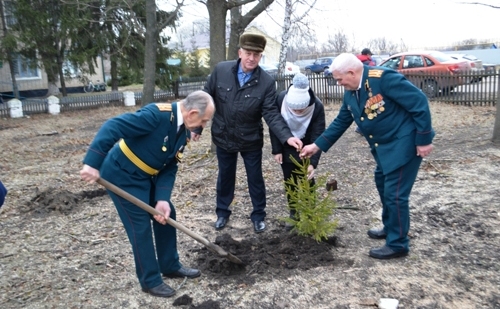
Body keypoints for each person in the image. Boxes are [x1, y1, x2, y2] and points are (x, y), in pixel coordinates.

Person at [80, 90, 215, 298]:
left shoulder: (182, 131)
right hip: (121, 175)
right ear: (192, 113)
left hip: (145, 176)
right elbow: (112, 126)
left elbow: (170, 166)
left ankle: (169, 265)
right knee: (140, 225)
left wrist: (162, 198)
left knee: (167, 215)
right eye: (204, 121)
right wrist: (92, 162)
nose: (203, 126)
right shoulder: (156, 116)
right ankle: (150, 280)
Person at [300, 53, 434, 259]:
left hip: (404, 144)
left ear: (352, 72)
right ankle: (391, 228)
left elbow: (419, 102)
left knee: (395, 194)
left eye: (339, 79)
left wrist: (424, 139)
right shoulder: (351, 91)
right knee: (382, 184)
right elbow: (342, 121)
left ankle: (398, 244)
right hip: (383, 147)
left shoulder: (384, 79)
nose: (338, 83)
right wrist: (317, 146)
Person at [200, 32, 303, 233]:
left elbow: (271, 113)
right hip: (223, 136)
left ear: (260, 56)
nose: (251, 58)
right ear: (240, 52)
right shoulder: (221, 71)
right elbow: (205, 97)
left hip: (250, 139)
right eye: (248, 53)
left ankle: (258, 215)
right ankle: (222, 212)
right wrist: (196, 126)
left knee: (255, 178)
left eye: (256, 54)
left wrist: (287, 136)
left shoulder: (266, 82)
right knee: (225, 176)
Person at [270, 73, 325, 231]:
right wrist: (277, 150)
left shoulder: (317, 107)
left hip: (307, 147)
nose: (298, 112)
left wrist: (312, 164)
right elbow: (275, 126)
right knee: (290, 180)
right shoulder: (281, 100)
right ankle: (293, 213)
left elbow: (318, 137)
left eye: (302, 109)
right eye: (294, 109)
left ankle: (310, 213)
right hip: (286, 145)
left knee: (308, 181)